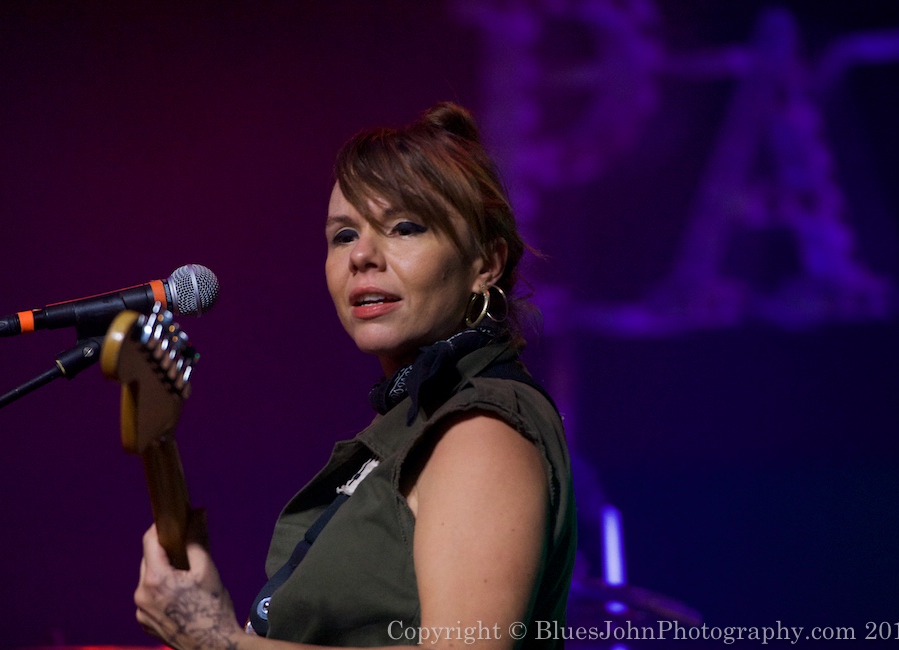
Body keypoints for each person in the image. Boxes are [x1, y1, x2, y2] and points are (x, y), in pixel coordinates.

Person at [133, 102, 577, 649]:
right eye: (343, 235)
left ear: (485, 264)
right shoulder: (418, 419)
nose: (361, 255)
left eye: (405, 228)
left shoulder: (481, 429)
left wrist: (215, 640)